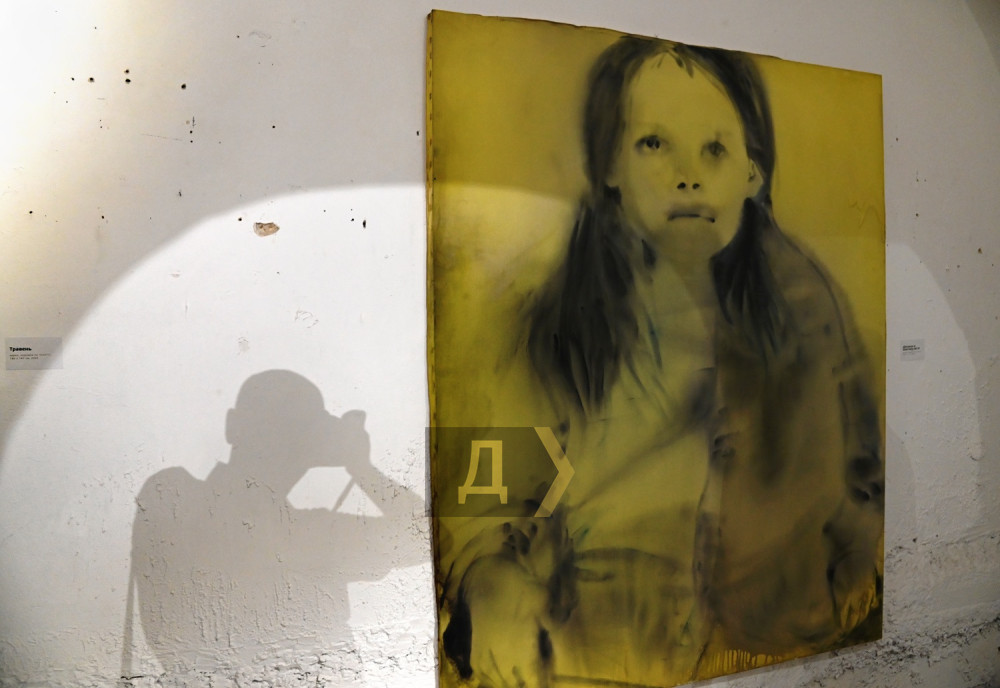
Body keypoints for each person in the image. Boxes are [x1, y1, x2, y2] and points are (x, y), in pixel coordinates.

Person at [440, 34, 883, 687]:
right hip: (596, 656)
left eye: (715, 149)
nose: (688, 175)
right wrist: (493, 578)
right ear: (609, 164)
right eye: (654, 143)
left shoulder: (804, 307)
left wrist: (844, 562)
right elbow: (494, 500)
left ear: (753, 172)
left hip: (783, 648)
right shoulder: (558, 318)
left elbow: (859, 461)